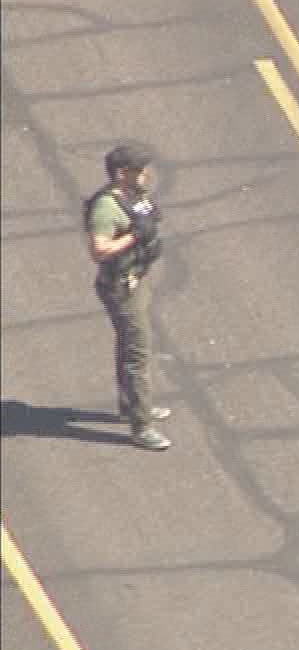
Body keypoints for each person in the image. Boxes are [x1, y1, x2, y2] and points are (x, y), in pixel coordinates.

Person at [86, 144, 170, 450]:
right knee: (138, 354)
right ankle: (141, 426)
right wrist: (134, 236)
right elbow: (98, 250)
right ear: (122, 174)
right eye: (139, 169)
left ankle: (133, 405)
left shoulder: (132, 195)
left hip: (137, 279)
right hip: (121, 287)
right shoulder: (106, 209)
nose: (146, 173)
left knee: (131, 345)